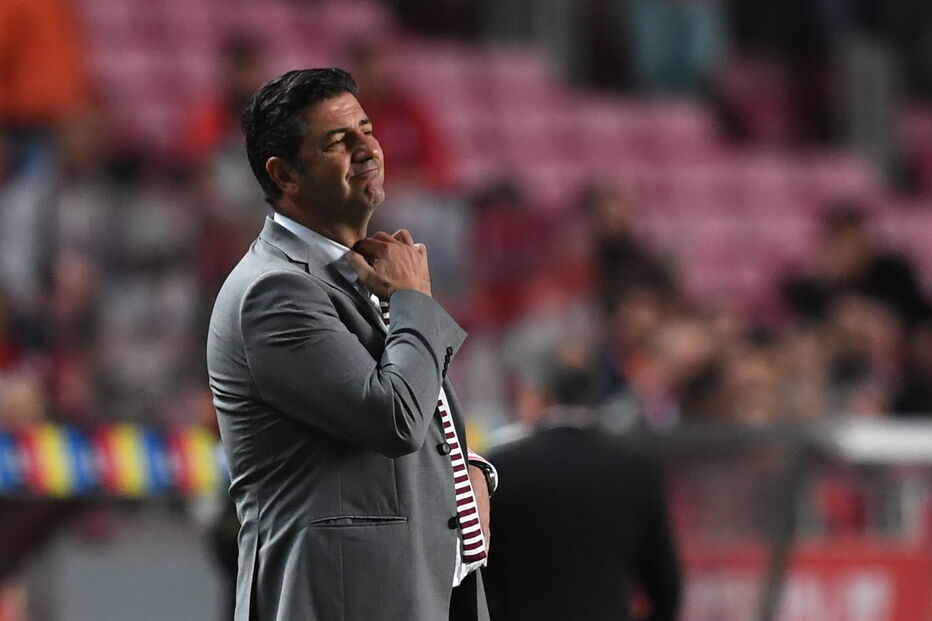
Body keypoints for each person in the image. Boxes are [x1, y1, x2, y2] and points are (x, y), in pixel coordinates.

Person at [206, 68, 495, 621]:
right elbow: (392, 418)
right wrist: (416, 302)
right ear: (285, 174)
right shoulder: (276, 290)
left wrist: (472, 472)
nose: (369, 149)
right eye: (339, 140)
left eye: (367, 129)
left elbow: (419, 418)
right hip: (340, 599)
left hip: (422, 586)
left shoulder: (359, 270)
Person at [484, 343, 682, 621]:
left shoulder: (501, 468)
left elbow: (480, 574)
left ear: (539, 394)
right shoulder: (636, 471)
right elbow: (664, 580)